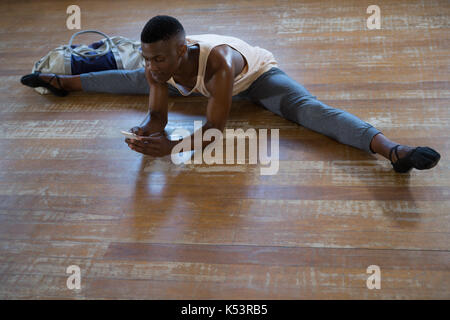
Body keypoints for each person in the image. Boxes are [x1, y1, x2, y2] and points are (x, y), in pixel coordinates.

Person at [21, 15, 440, 173]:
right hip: (204, 87)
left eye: (160, 59)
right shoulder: (156, 65)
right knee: (130, 78)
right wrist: (147, 132)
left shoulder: (219, 62)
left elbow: (215, 132)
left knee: (307, 110)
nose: (154, 66)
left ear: (181, 50)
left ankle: (393, 150)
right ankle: (59, 83)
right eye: (149, 58)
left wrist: (170, 151)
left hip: (253, 80)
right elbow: (157, 118)